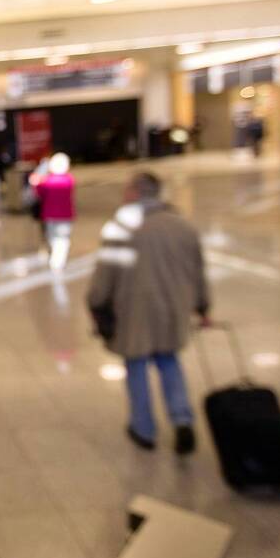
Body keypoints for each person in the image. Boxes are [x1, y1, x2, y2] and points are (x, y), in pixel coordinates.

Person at [87, 171, 210, 454]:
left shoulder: (122, 228)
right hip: (171, 310)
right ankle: (182, 420)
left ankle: (143, 429)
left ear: (135, 193)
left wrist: (96, 304)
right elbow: (198, 272)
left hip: (134, 312)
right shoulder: (183, 226)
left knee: (136, 366)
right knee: (169, 362)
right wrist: (203, 306)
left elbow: (105, 276)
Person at [33, 152, 75, 271]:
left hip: (50, 215)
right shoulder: (69, 180)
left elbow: (38, 192)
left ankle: (56, 261)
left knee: (53, 237)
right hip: (65, 216)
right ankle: (58, 260)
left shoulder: (47, 182)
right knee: (62, 238)